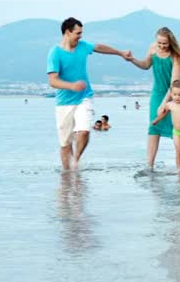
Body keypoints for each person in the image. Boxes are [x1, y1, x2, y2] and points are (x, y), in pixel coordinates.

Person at [46, 17, 134, 171]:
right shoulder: (55, 53)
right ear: (67, 32)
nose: (80, 36)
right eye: (78, 33)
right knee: (65, 144)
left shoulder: (82, 46)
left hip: (84, 97)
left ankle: (76, 161)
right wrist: (72, 86)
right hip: (64, 103)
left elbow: (99, 47)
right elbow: (53, 81)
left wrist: (120, 53)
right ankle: (67, 177)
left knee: (85, 131)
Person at [128, 26, 180, 169]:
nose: (161, 46)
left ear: (170, 42)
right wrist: (132, 60)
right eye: (159, 43)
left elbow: (174, 83)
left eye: (165, 43)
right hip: (158, 91)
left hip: (176, 92)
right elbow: (145, 65)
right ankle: (149, 166)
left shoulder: (176, 56)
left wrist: (164, 105)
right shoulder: (152, 48)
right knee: (153, 127)